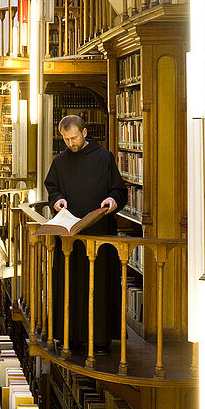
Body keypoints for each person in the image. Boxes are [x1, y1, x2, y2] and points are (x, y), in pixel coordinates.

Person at [44, 115, 128, 355]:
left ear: (84, 132)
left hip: (99, 234)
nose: (70, 143)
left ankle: (100, 340)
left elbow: (118, 190)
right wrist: (57, 200)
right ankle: (68, 336)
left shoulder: (104, 157)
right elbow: (53, 187)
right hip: (70, 236)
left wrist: (112, 200)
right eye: (66, 139)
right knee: (68, 284)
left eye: (74, 137)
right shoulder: (60, 161)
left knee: (99, 286)